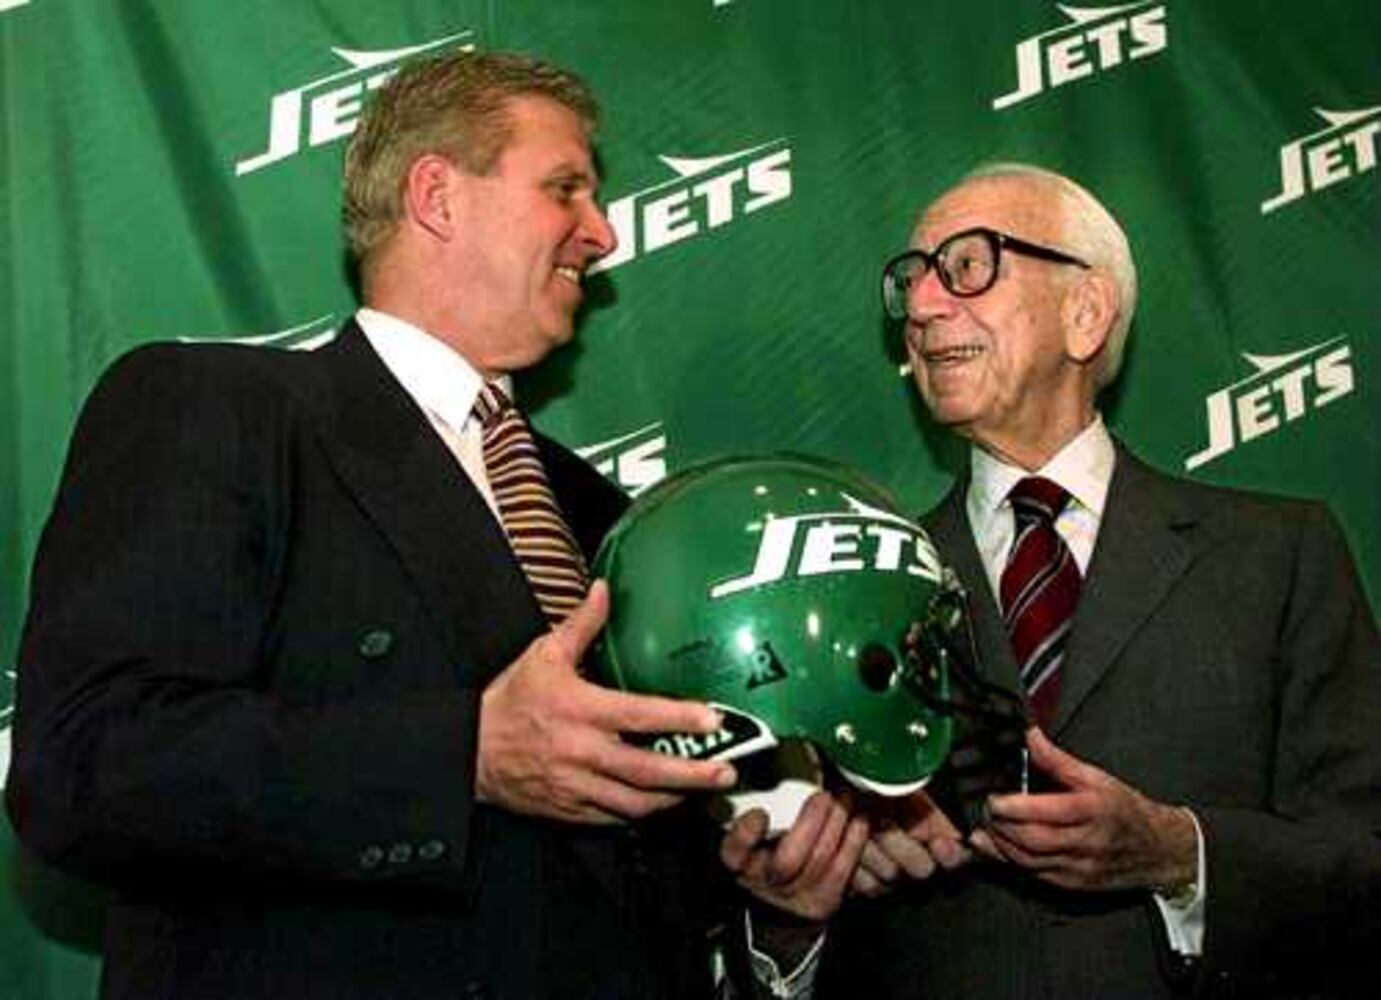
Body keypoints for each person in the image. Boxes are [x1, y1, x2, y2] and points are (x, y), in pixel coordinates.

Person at [3, 49, 818, 1000]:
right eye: (564, 189)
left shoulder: (600, 511)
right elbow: (87, 764)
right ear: (436, 196)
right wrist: (462, 755)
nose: (601, 234)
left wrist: (769, 904)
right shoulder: (217, 408)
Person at [817, 163, 1381, 998]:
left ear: (1084, 312)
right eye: (912, 280)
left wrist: (1177, 853)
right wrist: (800, 904)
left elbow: (1361, 856)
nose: (923, 307)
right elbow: (798, 920)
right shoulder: (855, 587)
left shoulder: (1278, 557)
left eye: (965, 266)